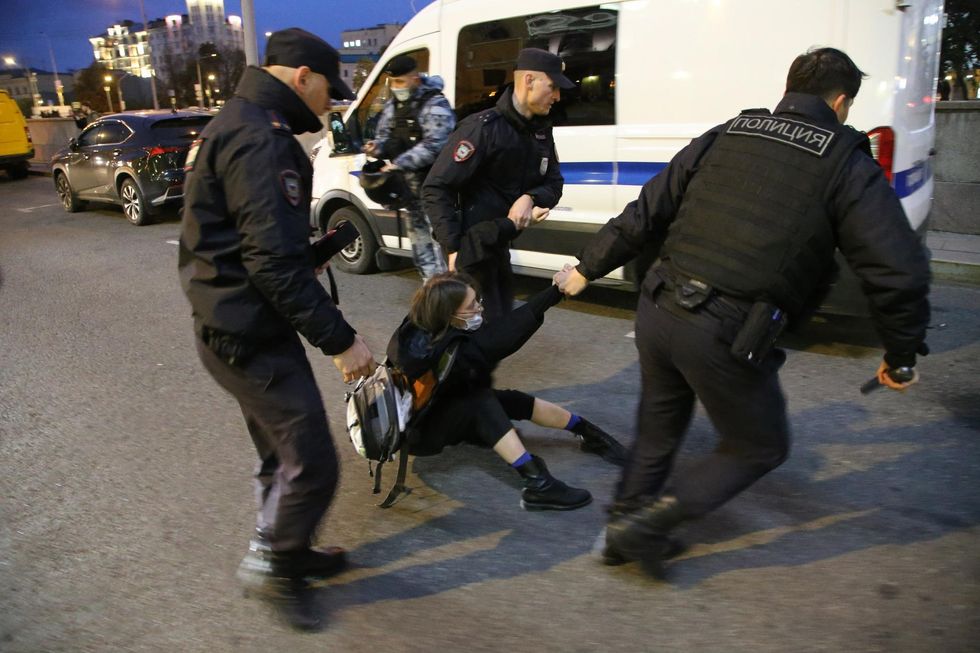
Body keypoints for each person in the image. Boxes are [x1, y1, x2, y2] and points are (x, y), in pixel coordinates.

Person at [554, 47, 931, 578]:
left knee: (659, 425)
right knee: (759, 444)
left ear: (789, 87)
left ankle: (622, 529)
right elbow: (899, 269)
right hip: (723, 329)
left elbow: (649, 206)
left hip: (658, 308)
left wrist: (587, 268)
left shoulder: (732, 129)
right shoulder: (845, 159)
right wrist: (902, 353)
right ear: (842, 101)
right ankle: (647, 525)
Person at [178, 27, 375, 630]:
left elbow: (252, 244)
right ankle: (276, 569)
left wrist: (313, 248)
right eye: (327, 90)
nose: (329, 103)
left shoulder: (239, 121)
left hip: (230, 323)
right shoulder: (263, 140)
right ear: (301, 77)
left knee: (280, 456)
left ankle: (283, 546)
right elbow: (269, 264)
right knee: (314, 462)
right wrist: (342, 342)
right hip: (249, 331)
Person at [388, 243, 628, 510]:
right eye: (471, 305)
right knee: (480, 402)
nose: (479, 308)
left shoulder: (423, 325)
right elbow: (507, 333)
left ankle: (587, 432)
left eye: (476, 300)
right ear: (450, 315)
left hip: (433, 415)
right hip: (422, 435)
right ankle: (538, 484)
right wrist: (556, 291)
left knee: (509, 401)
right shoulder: (453, 351)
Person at [422, 48, 575, 321]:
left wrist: (530, 197)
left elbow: (554, 183)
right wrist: (455, 250)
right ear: (528, 81)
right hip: (470, 250)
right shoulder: (482, 129)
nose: (557, 96)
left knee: (496, 328)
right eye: (552, 87)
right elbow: (436, 188)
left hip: (499, 245)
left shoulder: (540, 131)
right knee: (468, 339)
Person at [362, 55, 455, 281]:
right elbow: (385, 135)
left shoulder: (434, 103)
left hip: (438, 192)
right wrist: (377, 148)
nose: (396, 87)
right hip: (411, 193)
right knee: (422, 251)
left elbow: (436, 145)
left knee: (443, 250)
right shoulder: (394, 106)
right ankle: (432, 296)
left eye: (401, 82)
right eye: (393, 83)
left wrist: (398, 164)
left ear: (415, 78)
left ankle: (455, 300)